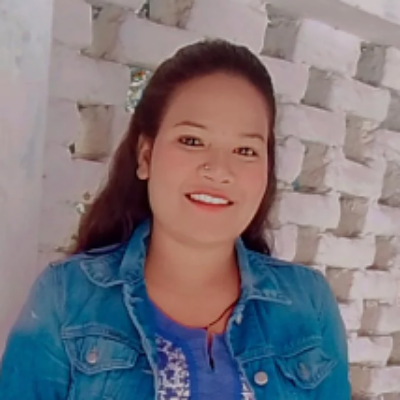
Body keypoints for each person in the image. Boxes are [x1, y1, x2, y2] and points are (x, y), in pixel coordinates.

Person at [0, 40, 350, 399]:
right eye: (192, 140)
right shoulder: (66, 298)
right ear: (146, 156)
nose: (219, 169)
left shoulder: (308, 305)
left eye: (245, 150)